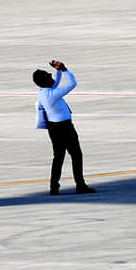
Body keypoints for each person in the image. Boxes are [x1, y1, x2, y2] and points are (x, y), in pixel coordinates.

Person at [33, 60, 96, 196]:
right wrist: (65, 69)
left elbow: (54, 83)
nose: (51, 76)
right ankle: (80, 185)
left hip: (53, 128)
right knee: (76, 155)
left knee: (58, 157)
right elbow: (72, 84)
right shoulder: (52, 94)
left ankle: (54, 186)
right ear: (45, 81)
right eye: (48, 75)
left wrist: (57, 70)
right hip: (65, 127)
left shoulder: (43, 91)